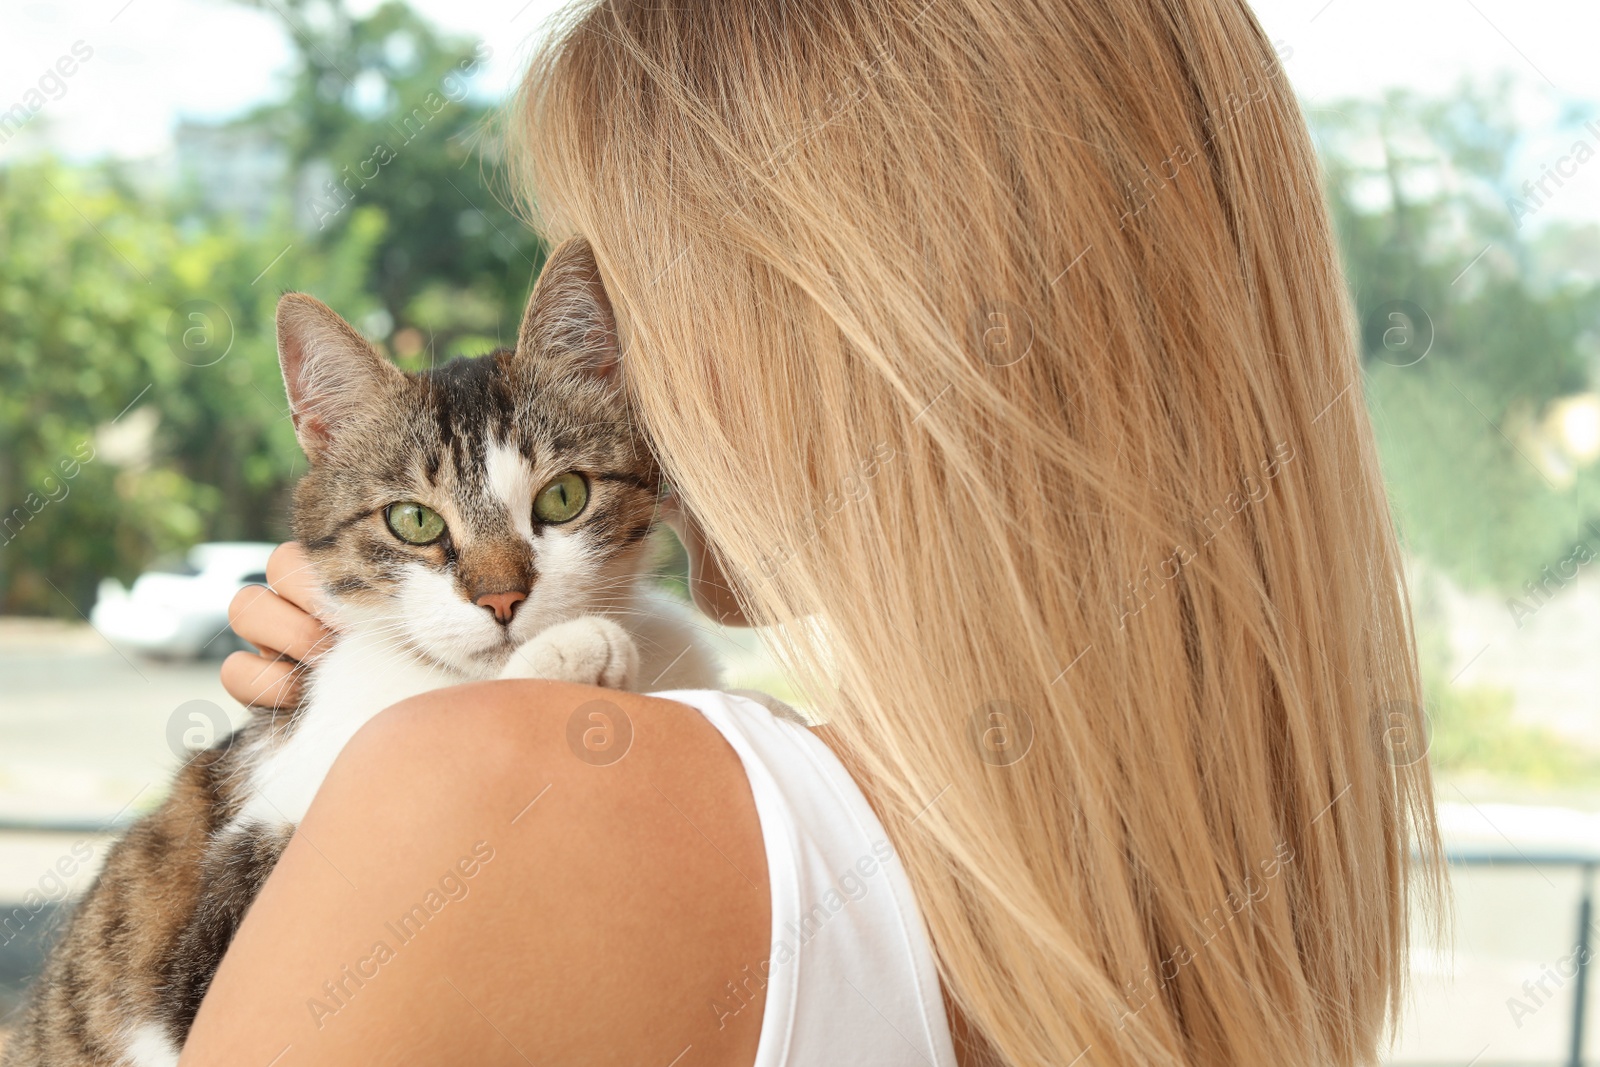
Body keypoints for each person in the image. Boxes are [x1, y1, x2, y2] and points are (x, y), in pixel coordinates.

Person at [191, 1, 1440, 1064]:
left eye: (626, 297)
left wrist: (391, 778)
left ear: (825, 331)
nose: (613, 386)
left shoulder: (492, 794)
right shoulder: (1260, 902)